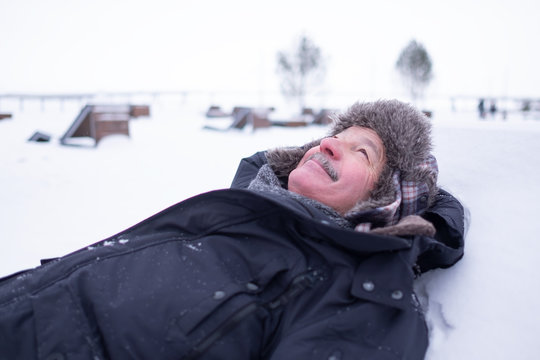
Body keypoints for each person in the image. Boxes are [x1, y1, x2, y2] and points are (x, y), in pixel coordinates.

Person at [0, 100, 465, 359]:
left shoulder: (357, 292)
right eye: (333, 136)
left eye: (362, 151)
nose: (327, 143)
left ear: (386, 198)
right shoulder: (247, 214)